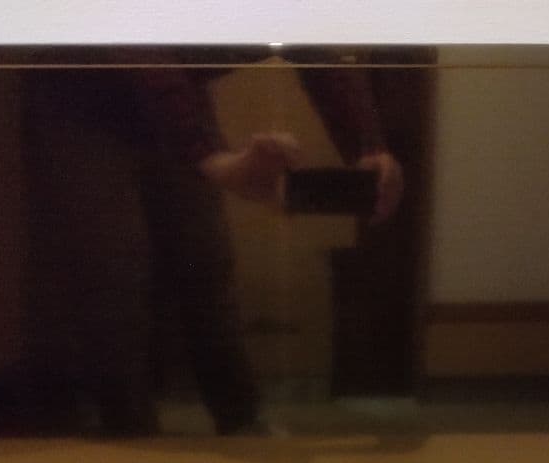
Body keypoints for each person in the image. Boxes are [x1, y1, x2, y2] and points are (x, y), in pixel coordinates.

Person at [22, 51, 403, 435]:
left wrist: (368, 146)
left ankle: (241, 418)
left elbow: (316, 45)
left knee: (204, 259)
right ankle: (128, 431)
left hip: (169, 82)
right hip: (80, 93)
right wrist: (211, 157)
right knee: (113, 268)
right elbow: (142, 45)